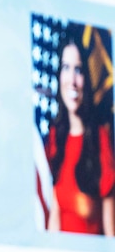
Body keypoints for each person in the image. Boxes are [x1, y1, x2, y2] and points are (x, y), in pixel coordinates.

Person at [40, 27, 115, 236]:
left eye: (78, 70)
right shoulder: (55, 137)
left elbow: (111, 232)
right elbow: (55, 215)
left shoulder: (101, 139)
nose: (72, 80)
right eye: (66, 68)